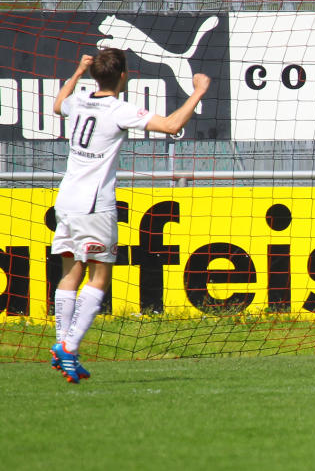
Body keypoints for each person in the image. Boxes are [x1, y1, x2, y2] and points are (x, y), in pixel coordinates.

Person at [49, 49, 210, 383]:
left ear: (94, 75)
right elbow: (172, 125)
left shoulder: (79, 102)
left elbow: (57, 103)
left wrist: (77, 71)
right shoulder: (119, 109)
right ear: (123, 75)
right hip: (95, 204)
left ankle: (64, 349)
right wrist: (198, 91)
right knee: (99, 278)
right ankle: (69, 345)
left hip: (66, 200)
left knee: (71, 273)